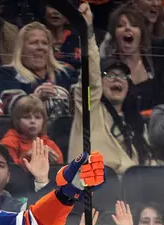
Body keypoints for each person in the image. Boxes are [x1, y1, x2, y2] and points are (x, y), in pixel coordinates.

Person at [69, 3, 151, 175]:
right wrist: (88, 32)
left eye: (122, 76)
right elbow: (90, 76)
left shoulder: (136, 123)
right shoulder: (89, 110)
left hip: (130, 196)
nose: (117, 79)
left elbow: (147, 166)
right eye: (110, 74)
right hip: (91, 195)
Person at [0, 21, 76, 120]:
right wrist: (36, 98)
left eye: (44, 43)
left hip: (66, 133)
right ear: (21, 48)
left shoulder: (66, 73)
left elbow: (87, 100)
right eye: (34, 43)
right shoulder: (7, 73)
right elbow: (11, 109)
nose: (40, 47)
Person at [0, 95, 64, 170]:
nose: (33, 121)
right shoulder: (9, 142)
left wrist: (55, 163)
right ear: (17, 121)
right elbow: (11, 171)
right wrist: (27, 158)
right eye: (27, 117)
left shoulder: (49, 144)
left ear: (43, 121)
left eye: (37, 117)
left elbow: (61, 170)